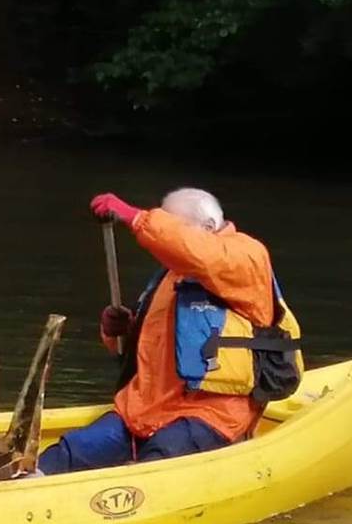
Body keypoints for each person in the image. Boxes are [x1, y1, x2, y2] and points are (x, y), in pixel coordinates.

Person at [37, 188, 302, 475]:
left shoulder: (246, 256)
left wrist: (138, 218)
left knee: (159, 460)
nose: (165, 237)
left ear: (208, 227)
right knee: (70, 452)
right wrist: (119, 333)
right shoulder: (172, 275)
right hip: (145, 410)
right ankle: (25, 483)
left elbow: (201, 253)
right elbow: (144, 354)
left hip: (211, 414)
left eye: (173, 225)